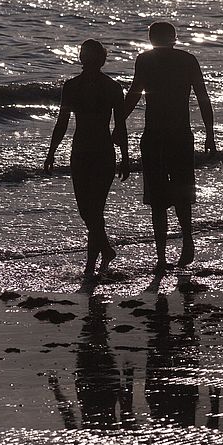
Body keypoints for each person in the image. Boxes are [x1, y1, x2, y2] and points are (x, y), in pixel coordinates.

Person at [117, 21, 216, 272]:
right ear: (174, 38)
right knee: (182, 193)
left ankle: (162, 257)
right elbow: (203, 96)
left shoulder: (145, 60)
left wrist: (119, 123)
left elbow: (134, 93)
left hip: (155, 135)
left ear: (150, 39)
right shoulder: (187, 59)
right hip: (180, 134)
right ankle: (187, 242)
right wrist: (210, 133)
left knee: (157, 197)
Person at [44, 39, 130, 276]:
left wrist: (125, 157)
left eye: (93, 56)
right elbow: (62, 123)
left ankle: (91, 265)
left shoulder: (113, 87)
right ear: (81, 58)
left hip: (103, 152)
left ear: (101, 59)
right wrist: (51, 152)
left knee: (95, 210)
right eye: (85, 55)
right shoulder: (71, 86)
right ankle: (106, 249)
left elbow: (120, 126)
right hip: (80, 152)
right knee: (86, 210)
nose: (88, 60)